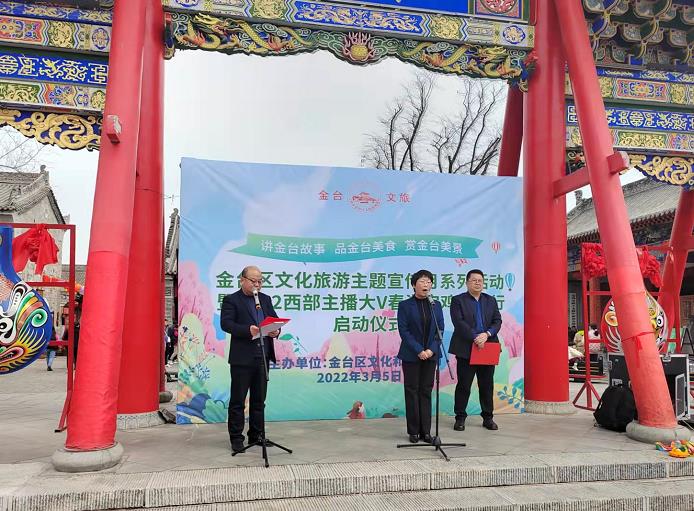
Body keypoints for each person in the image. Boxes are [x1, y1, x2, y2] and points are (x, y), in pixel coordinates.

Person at [220, 265, 280, 454]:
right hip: (242, 358)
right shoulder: (232, 300)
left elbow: (274, 320)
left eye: (260, 281)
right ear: (242, 280)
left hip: (262, 355)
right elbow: (226, 324)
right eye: (253, 281)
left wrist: (276, 330)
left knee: (259, 400)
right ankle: (237, 438)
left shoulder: (265, 299)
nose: (257, 285)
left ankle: (257, 435)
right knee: (238, 401)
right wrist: (248, 330)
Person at [449, 269, 502, 432]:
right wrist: (475, 337)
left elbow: (497, 321)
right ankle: (460, 418)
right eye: (474, 280)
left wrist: (487, 334)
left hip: (487, 347)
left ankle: (488, 418)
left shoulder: (490, 300)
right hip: (466, 348)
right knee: (464, 385)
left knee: (487, 385)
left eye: (480, 280)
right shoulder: (458, 300)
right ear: (467, 283)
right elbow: (459, 322)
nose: (477, 283)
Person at [396, 269, 444, 444]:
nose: (426, 285)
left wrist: (431, 350)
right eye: (422, 281)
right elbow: (404, 330)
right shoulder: (405, 305)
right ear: (414, 284)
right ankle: (414, 431)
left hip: (431, 355)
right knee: (412, 391)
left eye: (429, 282)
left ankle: (426, 432)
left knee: (426, 391)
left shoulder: (436, 305)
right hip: (411, 355)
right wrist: (419, 350)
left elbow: (440, 329)